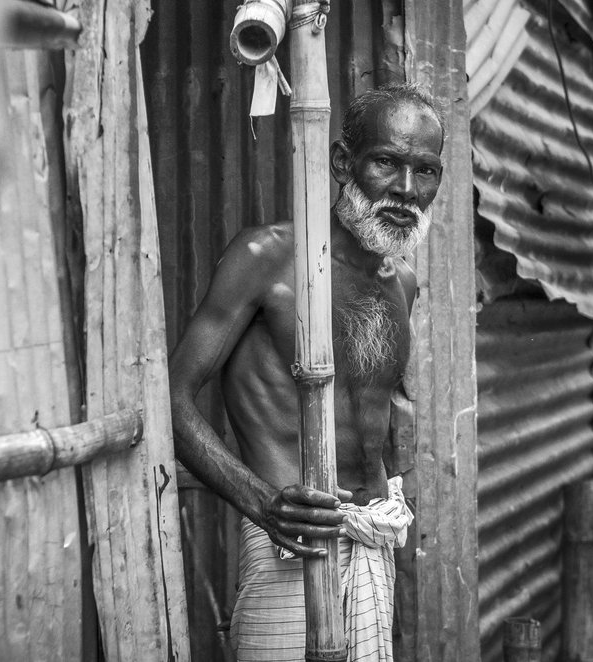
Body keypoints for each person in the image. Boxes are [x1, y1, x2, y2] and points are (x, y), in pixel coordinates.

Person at [167, 84, 445, 661]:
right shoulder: (268, 258)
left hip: (374, 536)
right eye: (387, 163)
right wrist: (261, 501)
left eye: (425, 171)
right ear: (343, 163)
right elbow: (169, 400)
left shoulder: (404, 284)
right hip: (290, 542)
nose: (406, 190)